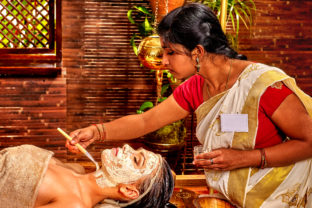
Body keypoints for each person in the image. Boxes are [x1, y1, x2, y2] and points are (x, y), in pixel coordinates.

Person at [66, 3, 312, 207]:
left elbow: (309, 142)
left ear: (197, 52)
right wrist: (97, 132)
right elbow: (145, 121)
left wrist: (245, 158)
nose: (163, 61)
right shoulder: (197, 87)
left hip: (284, 196)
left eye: (170, 52)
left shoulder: (264, 86)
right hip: (233, 198)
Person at [0, 144, 174, 208]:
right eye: (136, 151)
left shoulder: (74, 205)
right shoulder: (77, 170)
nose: (127, 147)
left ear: (129, 191)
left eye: (136, 159)